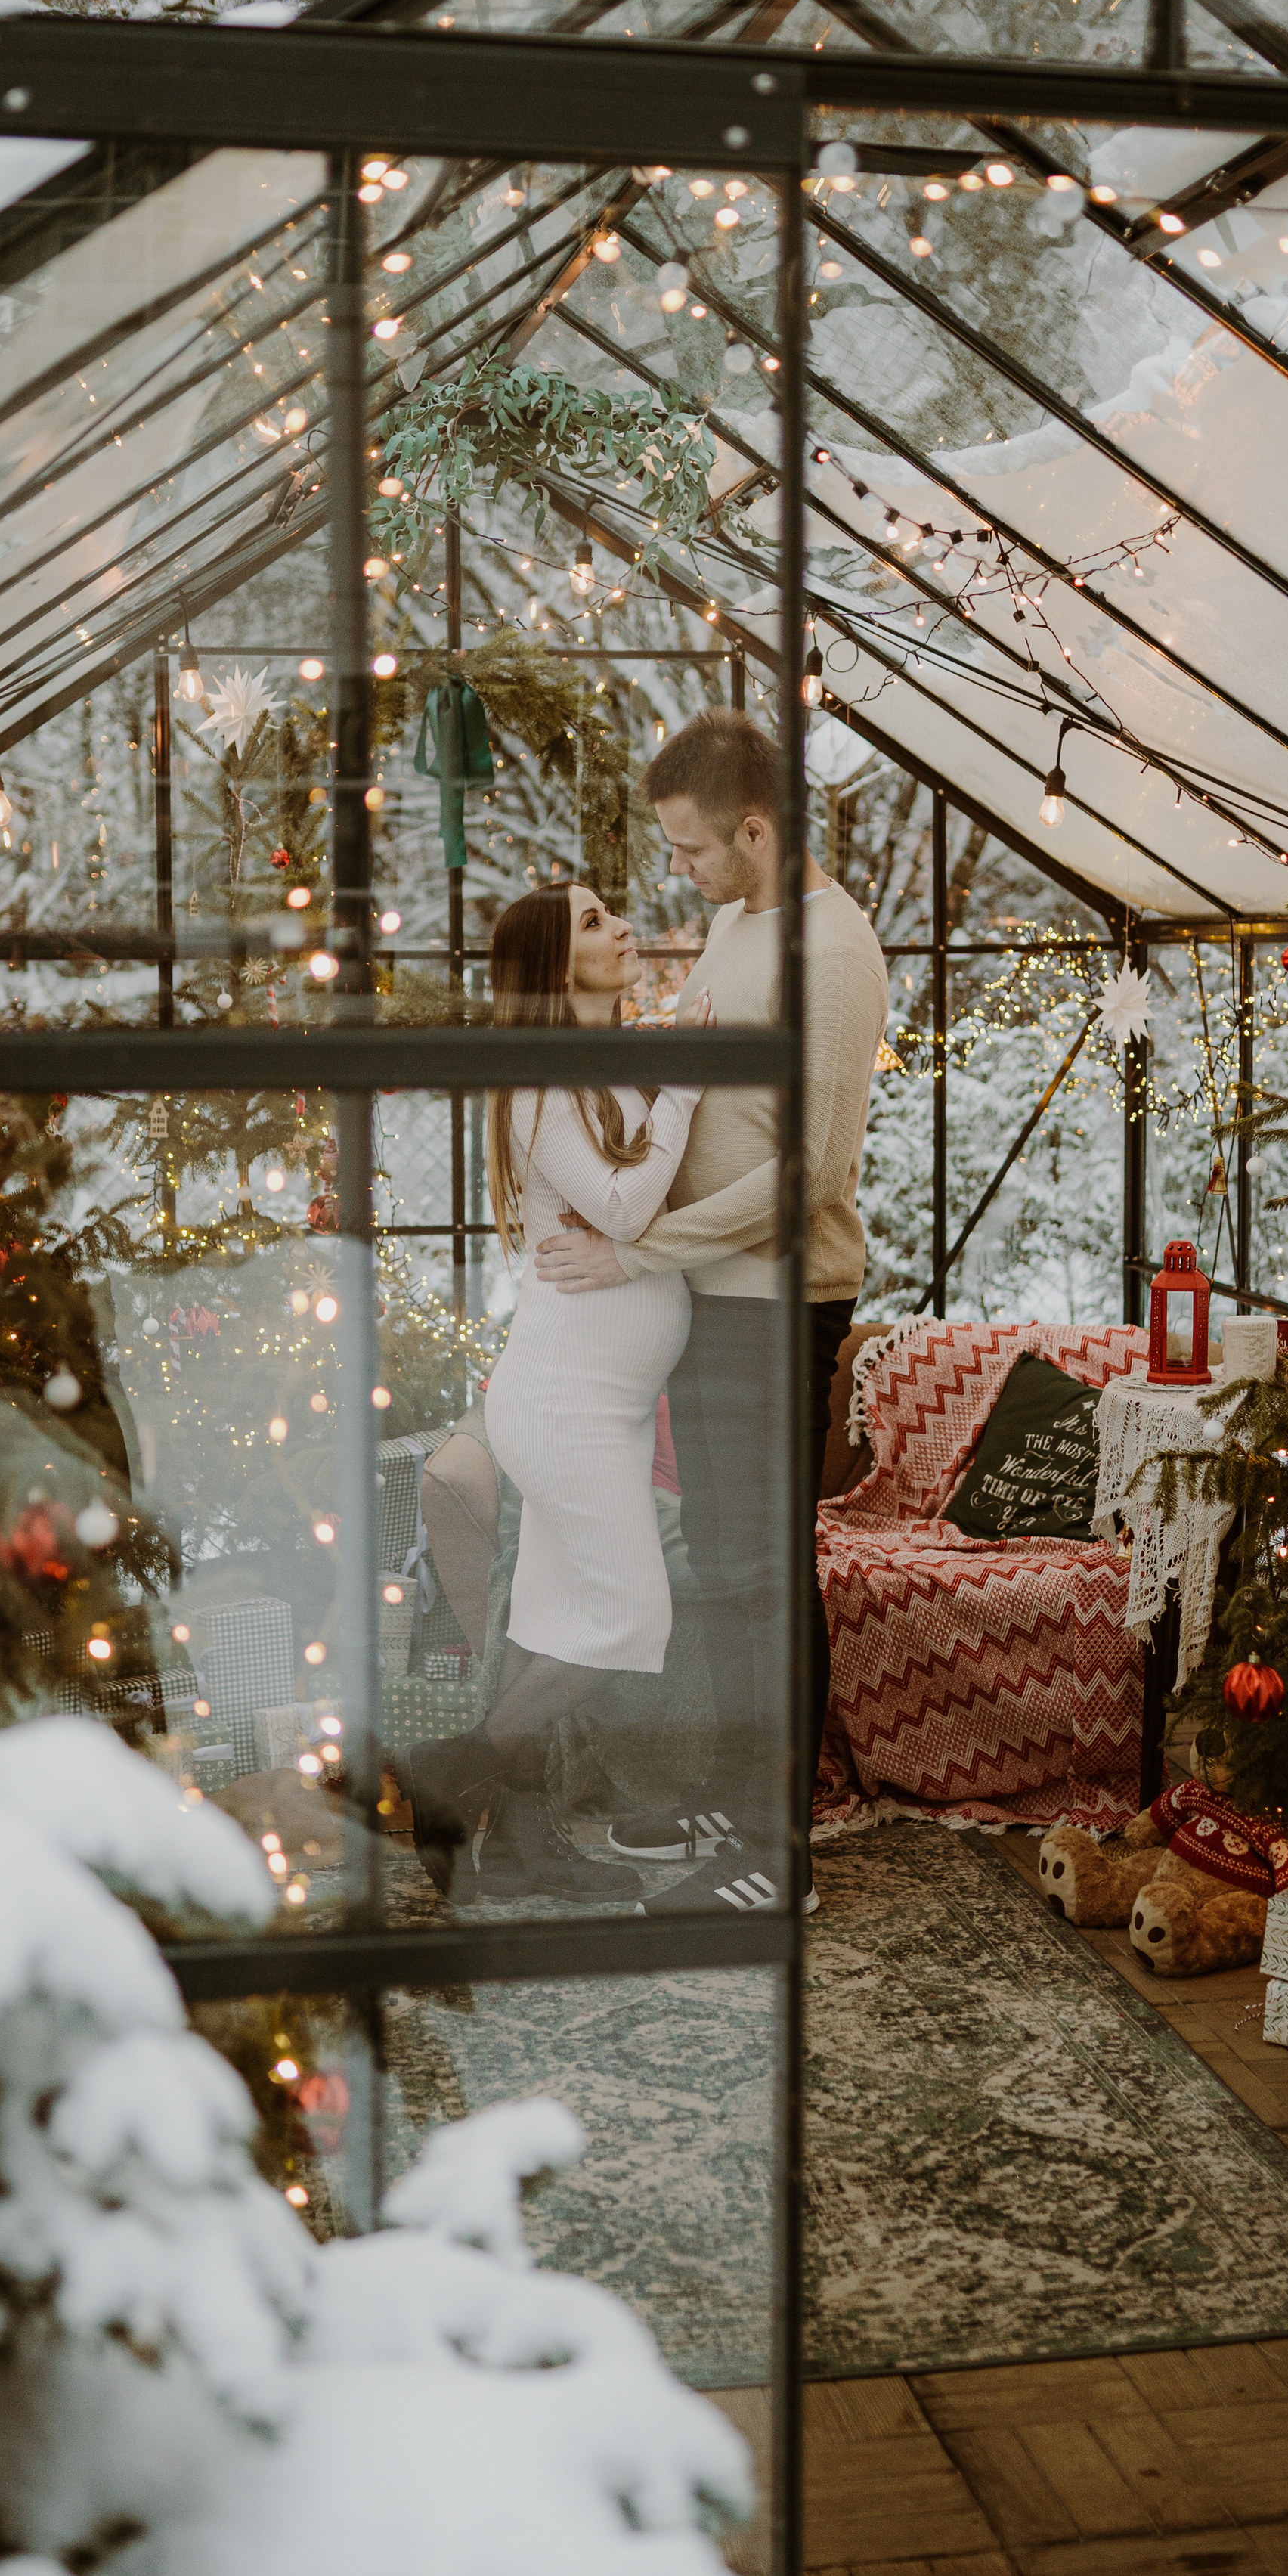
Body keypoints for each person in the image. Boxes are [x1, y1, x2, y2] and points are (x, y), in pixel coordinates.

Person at [534, 710, 890, 1915]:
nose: (677, 876)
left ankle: (769, 1854)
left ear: (756, 828)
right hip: (714, 1298)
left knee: (758, 1579)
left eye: (691, 851)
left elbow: (812, 1178)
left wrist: (643, 1249)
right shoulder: (744, 922)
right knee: (733, 1573)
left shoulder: (830, 956)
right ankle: (742, 1813)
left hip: (777, 1304)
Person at [407, 881, 707, 1903]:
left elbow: (637, 1207)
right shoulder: (541, 1080)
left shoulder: (609, 1068)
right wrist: (691, 1091)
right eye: (593, 923)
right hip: (564, 1406)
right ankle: (454, 1772)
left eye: (611, 914)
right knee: (630, 1619)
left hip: (604, 1406)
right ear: (550, 967)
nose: (622, 928)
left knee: (547, 1625)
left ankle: (522, 1851)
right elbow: (624, 1203)